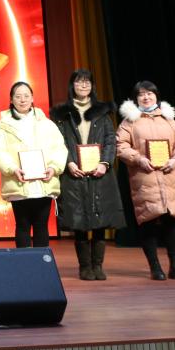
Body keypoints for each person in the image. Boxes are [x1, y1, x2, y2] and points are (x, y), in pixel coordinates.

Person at [50, 69, 125, 280]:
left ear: (92, 86)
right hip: (74, 172)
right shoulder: (62, 114)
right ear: (72, 86)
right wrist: (69, 163)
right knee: (79, 220)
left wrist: (105, 163)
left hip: (99, 172)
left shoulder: (102, 112)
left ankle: (97, 265)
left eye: (87, 82)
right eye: (79, 82)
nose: (83, 85)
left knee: (100, 219)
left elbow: (110, 140)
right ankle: (84, 266)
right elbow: (58, 143)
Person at [116, 81, 175, 280]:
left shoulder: (169, 120)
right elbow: (121, 146)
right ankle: (155, 267)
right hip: (144, 177)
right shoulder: (129, 122)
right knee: (147, 221)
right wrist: (139, 159)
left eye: (150, 93)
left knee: (172, 221)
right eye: (141, 94)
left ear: (156, 96)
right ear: (136, 99)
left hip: (169, 176)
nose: (146, 97)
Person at [0, 81, 67, 249]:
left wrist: (53, 167)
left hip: (43, 182)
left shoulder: (46, 123)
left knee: (41, 225)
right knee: (22, 225)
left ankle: (41, 263)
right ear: (11, 100)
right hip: (18, 182)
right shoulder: (2, 126)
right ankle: (24, 264)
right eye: (18, 96)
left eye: (26, 96)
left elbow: (59, 148)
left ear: (32, 98)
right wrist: (12, 169)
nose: (22, 100)